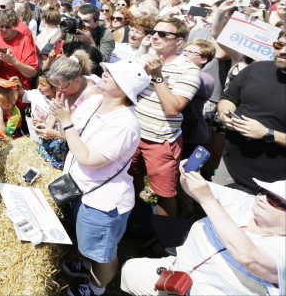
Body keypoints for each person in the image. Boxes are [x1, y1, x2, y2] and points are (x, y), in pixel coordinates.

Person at [49, 60, 151, 296]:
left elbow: (88, 157)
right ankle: (86, 265)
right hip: (82, 191)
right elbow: (73, 137)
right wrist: (63, 121)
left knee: (103, 254)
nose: (104, 73)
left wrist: (65, 121)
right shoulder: (94, 102)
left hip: (103, 203)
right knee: (89, 246)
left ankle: (96, 288)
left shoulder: (125, 123)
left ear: (125, 88)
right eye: (107, 70)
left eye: (112, 74)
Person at [120, 175, 285, 296]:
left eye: (274, 200)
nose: (262, 198)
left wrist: (208, 200)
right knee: (130, 271)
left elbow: (251, 259)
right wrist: (188, 172)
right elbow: (196, 187)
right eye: (263, 191)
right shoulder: (246, 202)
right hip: (176, 272)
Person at [132, 16, 200, 216]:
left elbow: (173, 108)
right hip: (133, 134)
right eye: (154, 32)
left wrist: (157, 75)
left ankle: (165, 240)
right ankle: (135, 218)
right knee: (131, 178)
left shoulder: (189, 70)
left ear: (179, 41)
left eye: (163, 34)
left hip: (161, 141)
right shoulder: (143, 59)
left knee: (164, 193)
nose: (155, 37)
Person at [216, 29, 286, 193]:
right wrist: (225, 113)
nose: (282, 51)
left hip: (275, 185)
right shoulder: (256, 68)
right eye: (279, 45)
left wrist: (268, 134)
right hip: (229, 168)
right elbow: (228, 98)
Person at [62, 3, 115, 76]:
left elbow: (104, 63)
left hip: (91, 75)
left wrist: (91, 43)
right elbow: (49, 47)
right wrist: (62, 30)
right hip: (68, 71)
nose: (79, 23)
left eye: (86, 21)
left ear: (96, 22)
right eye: (78, 19)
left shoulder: (105, 34)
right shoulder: (73, 28)